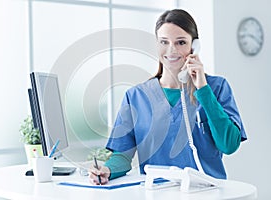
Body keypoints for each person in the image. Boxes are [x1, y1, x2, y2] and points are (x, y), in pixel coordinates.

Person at [89, 9, 247, 185]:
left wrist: (202, 89)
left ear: (194, 46)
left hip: (207, 192)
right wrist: (107, 170)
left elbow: (229, 145)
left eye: (181, 42)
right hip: (156, 193)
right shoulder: (135, 96)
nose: (171, 50)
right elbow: (122, 154)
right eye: (164, 42)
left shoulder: (217, 88)